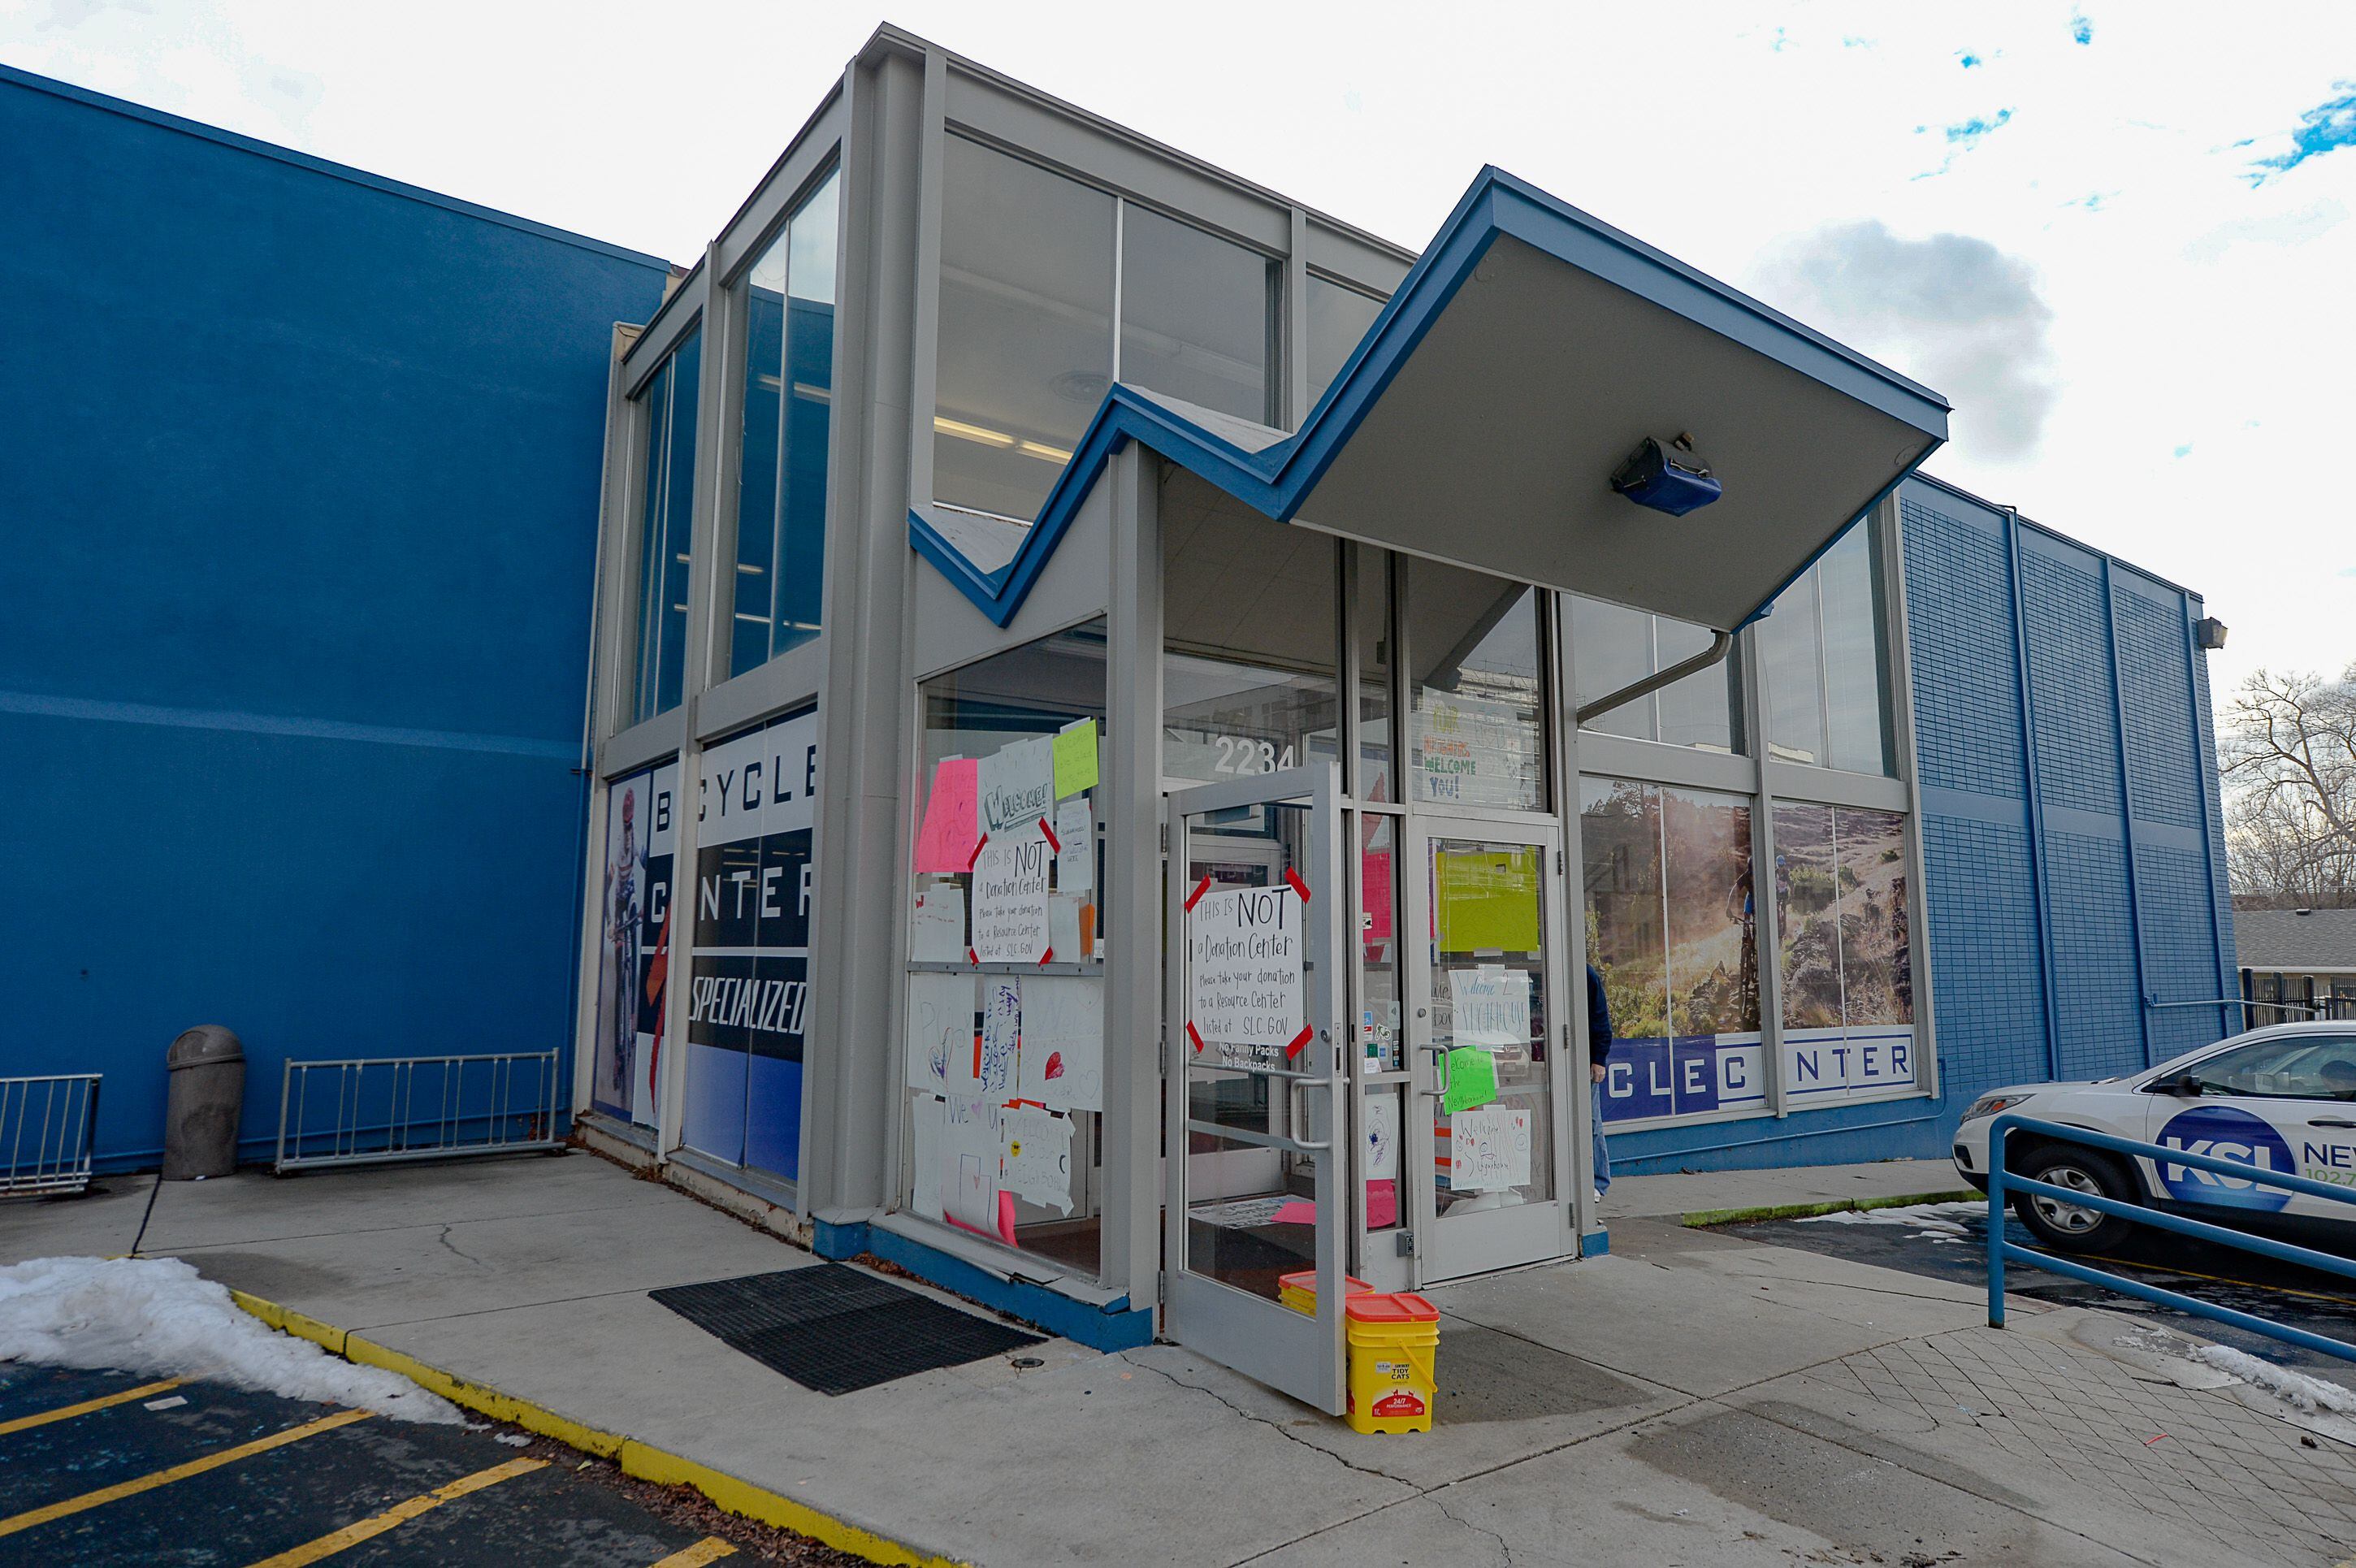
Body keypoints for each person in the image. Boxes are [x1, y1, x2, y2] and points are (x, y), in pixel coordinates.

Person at [1587, 964, 1614, 1199]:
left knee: (1591, 1122)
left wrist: (1598, 1059)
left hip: (1582, 1063)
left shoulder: (1586, 975)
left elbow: (1600, 1019)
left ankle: (1598, 1182)